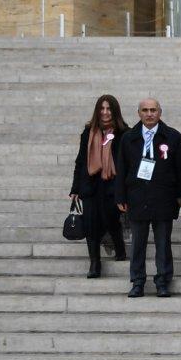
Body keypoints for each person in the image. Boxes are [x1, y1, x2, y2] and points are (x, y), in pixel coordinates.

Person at [115, 98, 181, 298]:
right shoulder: (129, 138)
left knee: (163, 243)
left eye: (153, 110)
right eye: (145, 110)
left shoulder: (172, 137)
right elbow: (122, 169)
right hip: (137, 197)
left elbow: (180, 170)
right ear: (138, 113)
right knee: (138, 243)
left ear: (160, 112)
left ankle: (163, 281)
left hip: (164, 197)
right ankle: (137, 281)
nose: (149, 114)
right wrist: (120, 195)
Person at [70, 95, 128, 278]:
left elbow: (127, 162)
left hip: (113, 184)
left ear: (115, 111)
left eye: (109, 109)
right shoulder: (89, 132)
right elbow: (80, 161)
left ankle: (119, 246)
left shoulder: (124, 132)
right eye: (102, 109)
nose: (105, 112)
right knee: (91, 222)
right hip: (91, 185)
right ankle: (94, 263)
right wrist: (75, 188)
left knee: (111, 219)